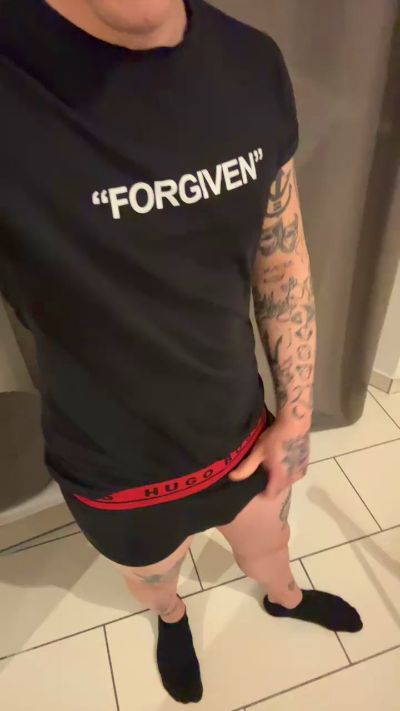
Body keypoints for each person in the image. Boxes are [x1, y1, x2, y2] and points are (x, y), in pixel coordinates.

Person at [0, 0, 362, 704]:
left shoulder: (251, 63)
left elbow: (281, 261)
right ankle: (171, 618)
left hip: (240, 438)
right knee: (155, 579)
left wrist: (295, 415)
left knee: (271, 547)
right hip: (115, 474)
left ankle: (284, 597)